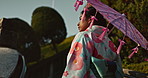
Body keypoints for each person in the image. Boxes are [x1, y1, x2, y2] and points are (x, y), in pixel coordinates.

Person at [62, 6, 124, 78]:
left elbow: (76, 68)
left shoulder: (84, 36)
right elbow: (119, 70)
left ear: (90, 20)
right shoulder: (110, 43)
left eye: (80, 19)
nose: (78, 24)